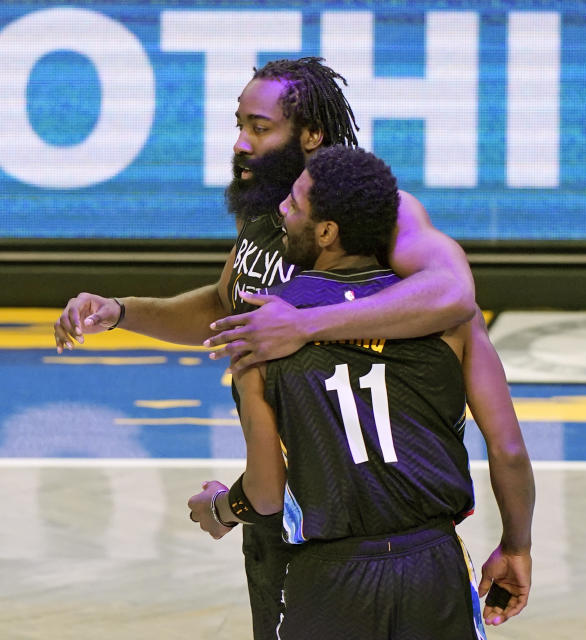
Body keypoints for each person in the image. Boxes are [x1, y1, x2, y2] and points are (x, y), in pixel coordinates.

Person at [53, 57, 478, 639]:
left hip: (363, 515)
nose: (240, 143)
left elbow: (453, 290)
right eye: (239, 124)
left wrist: (308, 326)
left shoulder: (379, 215)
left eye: (259, 128)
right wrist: (123, 313)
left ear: (310, 136)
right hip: (286, 509)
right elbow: (226, 309)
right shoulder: (265, 218)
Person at [188, 146, 534, 639]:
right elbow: (509, 449)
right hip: (432, 569)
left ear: (327, 232)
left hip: (328, 579)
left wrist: (221, 509)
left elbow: (266, 493)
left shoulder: (262, 333)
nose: (282, 209)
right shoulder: (450, 321)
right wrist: (516, 547)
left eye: (294, 203)